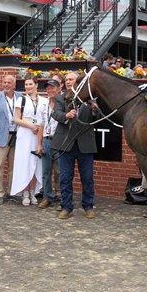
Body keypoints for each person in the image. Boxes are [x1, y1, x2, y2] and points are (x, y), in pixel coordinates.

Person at [51, 72, 98, 219]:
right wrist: (65, 116)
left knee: (87, 177)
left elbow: (98, 117)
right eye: (68, 80)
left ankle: (88, 206)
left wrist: (95, 110)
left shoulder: (90, 99)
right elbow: (55, 114)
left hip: (85, 145)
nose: (70, 82)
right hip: (66, 144)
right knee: (65, 177)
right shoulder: (60, 98)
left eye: (73, 79)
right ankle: (66, 207)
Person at [10, 75, 46, 206]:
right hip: (25, 133)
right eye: (26, 84)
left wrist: (39, 131)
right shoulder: (21, 100)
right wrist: (30, 126)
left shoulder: (44, 101)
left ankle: (33, 191)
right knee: (25, 163)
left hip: (38, 134)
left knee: (36, 163)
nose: (28, 87)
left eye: (31, 84)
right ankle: (25, 192)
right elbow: (16, 119)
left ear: (36, 85)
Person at [0, 75, 22, 205]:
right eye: (4, 82)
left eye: (9, 82)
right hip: (1, 137)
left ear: (14, 85)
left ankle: (12, 192)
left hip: (17, 136)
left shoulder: (21, 97)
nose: (6, 84)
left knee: (14, 166)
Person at [37, 79, 62, 209]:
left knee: (60, 171)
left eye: (53, 88)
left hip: (60, 141)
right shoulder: (43, 105)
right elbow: (40, 125)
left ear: (59, 89)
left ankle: (61, 197)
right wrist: (39, 144)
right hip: (47, 140)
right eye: (48, 88)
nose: (50, 90)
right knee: (46, 171)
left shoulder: (63, 104)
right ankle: (47, 197)